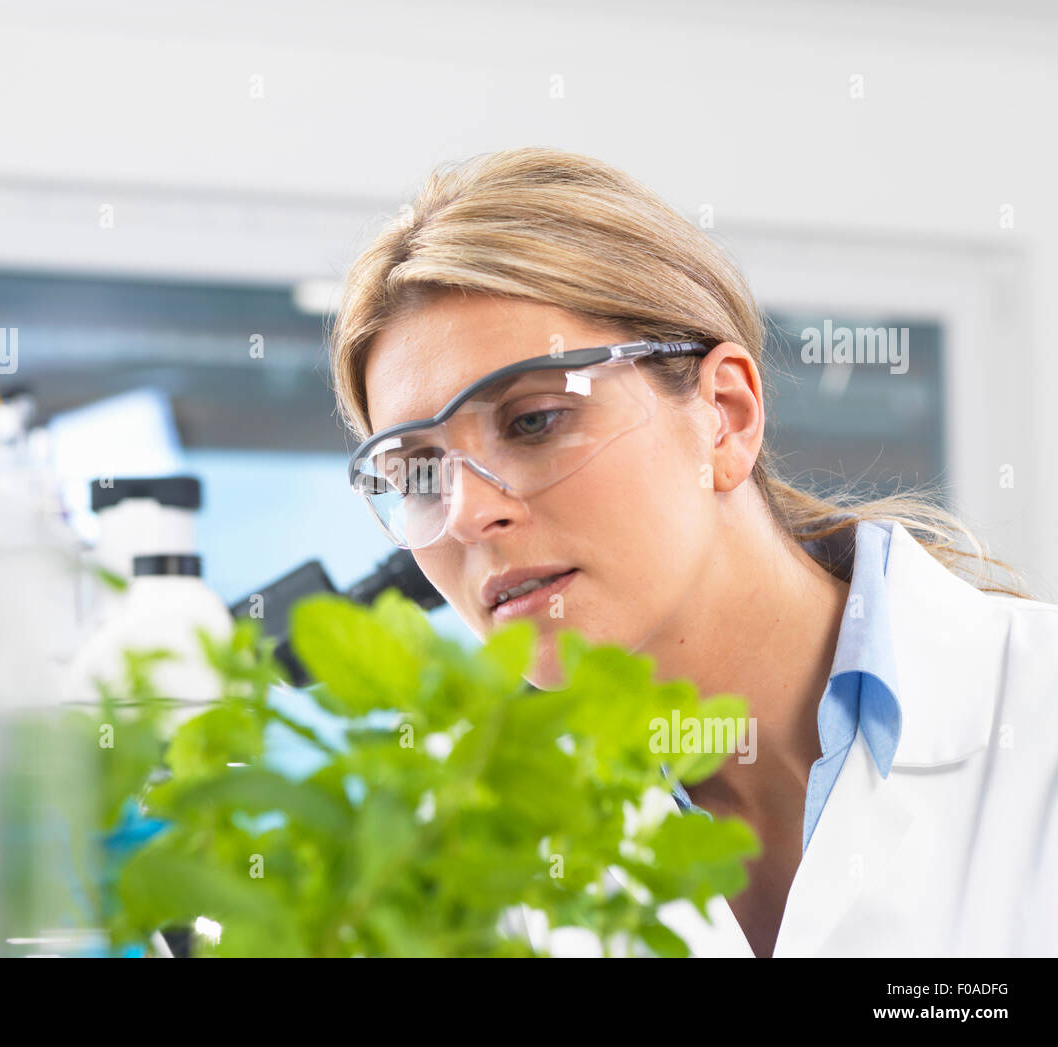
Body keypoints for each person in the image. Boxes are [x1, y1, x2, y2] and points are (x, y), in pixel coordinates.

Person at [327, 147, 1058, 957]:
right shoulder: (478, 842)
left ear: (725, 414)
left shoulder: (1035, 711)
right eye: (418, 473)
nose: (468, 514)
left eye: (533, 421)